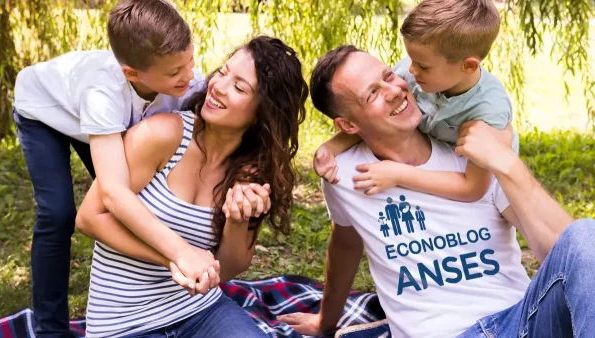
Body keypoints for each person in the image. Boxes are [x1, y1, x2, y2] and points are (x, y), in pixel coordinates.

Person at [277, 46, 595, 338]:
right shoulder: (343, 175)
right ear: (347, 125)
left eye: (388, 76)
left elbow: (568, 255)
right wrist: (325, 321)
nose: (394, 91)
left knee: (584, 234)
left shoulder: (473, 154)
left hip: (520, 322)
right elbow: (345, 243)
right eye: (372, 93)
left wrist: (506, 163)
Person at [75, 35, 308, 338]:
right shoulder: (161, 136)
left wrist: (237, 220)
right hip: (125, 323)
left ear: (264, 113)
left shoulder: (251, 171)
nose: (218, 87)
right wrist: (177, 256)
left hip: (201, 312)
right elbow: (89, 218)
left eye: (239, 87)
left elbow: (226, 268)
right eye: (223, 73)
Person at [12, 1, 208, 335]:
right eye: (175, 73)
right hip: (45, 114)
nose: (189, 77)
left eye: (190, 62)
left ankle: (145, 299)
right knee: (59, 214)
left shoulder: (185, 79)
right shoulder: (103, 94)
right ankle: (50, 329)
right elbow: (115, 192)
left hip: (101, 121)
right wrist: (180, 251)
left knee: (138, 202)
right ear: (131, 73)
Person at [314, 0, 517, 203]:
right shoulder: (412, 75)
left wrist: (398, 174)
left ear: (469, 67)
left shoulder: (489, 109)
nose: (410, 70)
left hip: (485, 195)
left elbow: (472, 188)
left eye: (423, 65)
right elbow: (371, 118)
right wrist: (331, 148)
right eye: (411, 60)